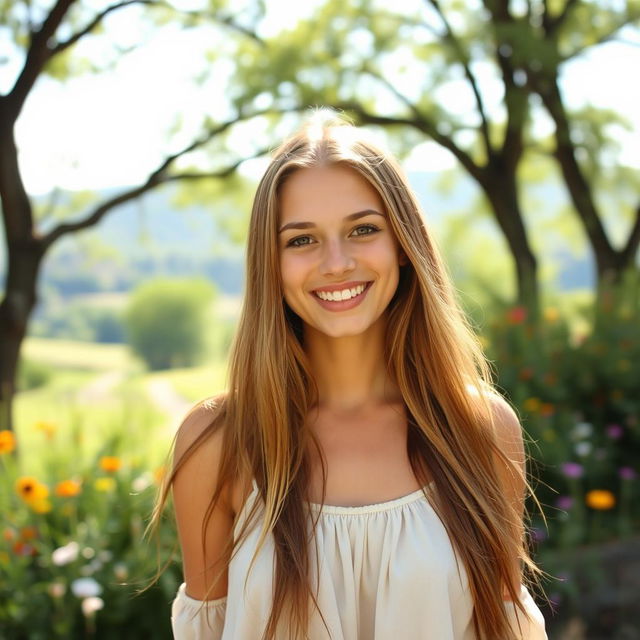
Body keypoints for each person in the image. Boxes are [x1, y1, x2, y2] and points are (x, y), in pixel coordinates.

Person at [157, 111, 548, 639]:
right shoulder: (217, 442)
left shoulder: (478, 428)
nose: (337, 263)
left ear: (403, 245)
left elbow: (505, 628)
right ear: (269, 264)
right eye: (302, 240)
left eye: (363, 230)